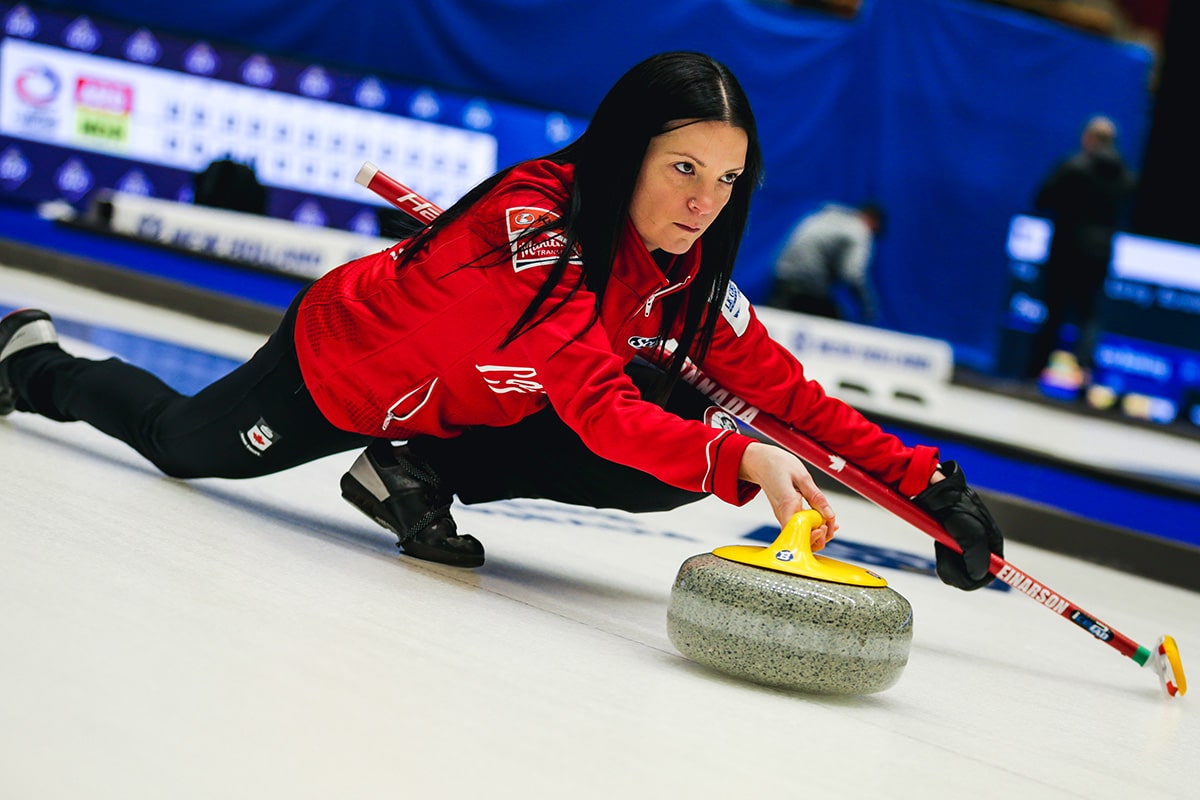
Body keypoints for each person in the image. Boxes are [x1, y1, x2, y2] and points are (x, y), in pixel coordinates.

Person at [0, 52, 1002, 590]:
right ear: (625, 152)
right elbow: (603, 407)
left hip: (470, 408)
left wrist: (929, 488)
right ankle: (37, 361)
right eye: (684, 169)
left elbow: (789, 396)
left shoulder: (680, 275)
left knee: (671, 455)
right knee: (185, 448)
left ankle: (412, 472)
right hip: (344, 367)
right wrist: (737, 460)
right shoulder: (530, 229)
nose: (704, 202)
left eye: (727, 181)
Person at [1026, 115, 1135, 390]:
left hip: (1067, 249)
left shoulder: (1073, 167)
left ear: (1088, 139)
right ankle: (1084, 377)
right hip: (1099, 254)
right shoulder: (1125, 176)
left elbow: (1042, 198)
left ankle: (1034, 374)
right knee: (1089, 316)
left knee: (1054, 312)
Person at [767, 201, 885, 324]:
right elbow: (853, 273)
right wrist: (867, 304)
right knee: (836, 327)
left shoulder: (826, 216)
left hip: (781, 275)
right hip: (808, 284)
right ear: (873, 222)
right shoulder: (860, 230)